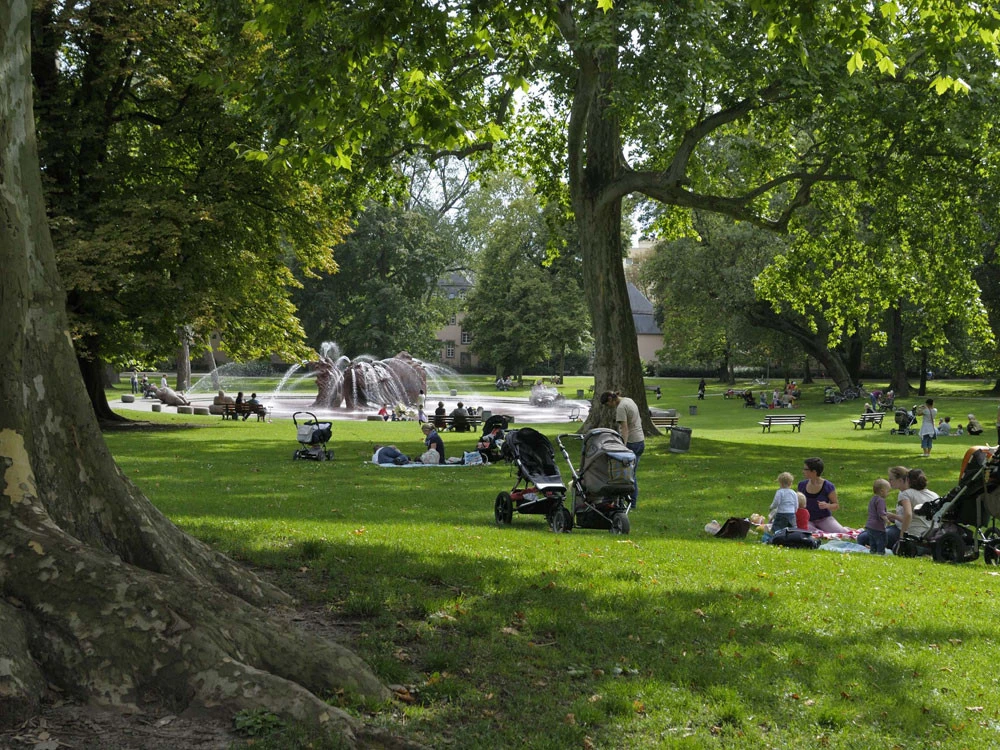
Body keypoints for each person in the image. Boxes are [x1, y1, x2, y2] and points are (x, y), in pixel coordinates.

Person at [600, 390, 645, 510]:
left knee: (625, 476)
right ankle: (628, 502)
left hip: (631, 443)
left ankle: (629, 503)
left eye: (607, 405)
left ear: (610, 400)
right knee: (631, 475)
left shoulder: (620, 408)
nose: (608, 408)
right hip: (640, 441)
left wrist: (623, 447)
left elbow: (625, 429)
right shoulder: (628, 400)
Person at [798, 456, 850, 533]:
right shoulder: (802, 485)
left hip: (824, 518)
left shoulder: (828, 486)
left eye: (806, 469)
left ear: (814, 472)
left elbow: (836, 505)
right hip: (807, 519)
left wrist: (827, 505)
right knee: (805, 531)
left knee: (840, 532)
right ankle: (818, 531)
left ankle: (819, 530)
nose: (803, 471)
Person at [865, 478, 891, 555]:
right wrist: (887, 520)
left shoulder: (872, 499)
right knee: (882, 540)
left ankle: (872, 551)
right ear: (882, 491)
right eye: (888, 491)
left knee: (872, 540)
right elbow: (881, 513)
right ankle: (881, 552)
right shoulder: (881, 500)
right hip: (877, 526)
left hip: (869, 525)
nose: (888, 493)